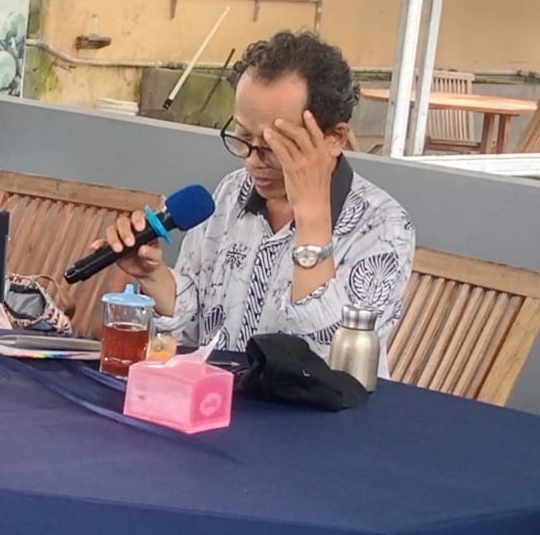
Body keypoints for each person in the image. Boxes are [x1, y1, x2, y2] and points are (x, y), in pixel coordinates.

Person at [96, 31, 416, 373]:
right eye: (243, 137)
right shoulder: (232, 193)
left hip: (310, 407)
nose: (252, 161)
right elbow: (194, 331)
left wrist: (312, 220)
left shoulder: (383, 226)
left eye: (274, 146)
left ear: (334, 137)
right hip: (218, 397)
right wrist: (153, 275)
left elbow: (329, 365)